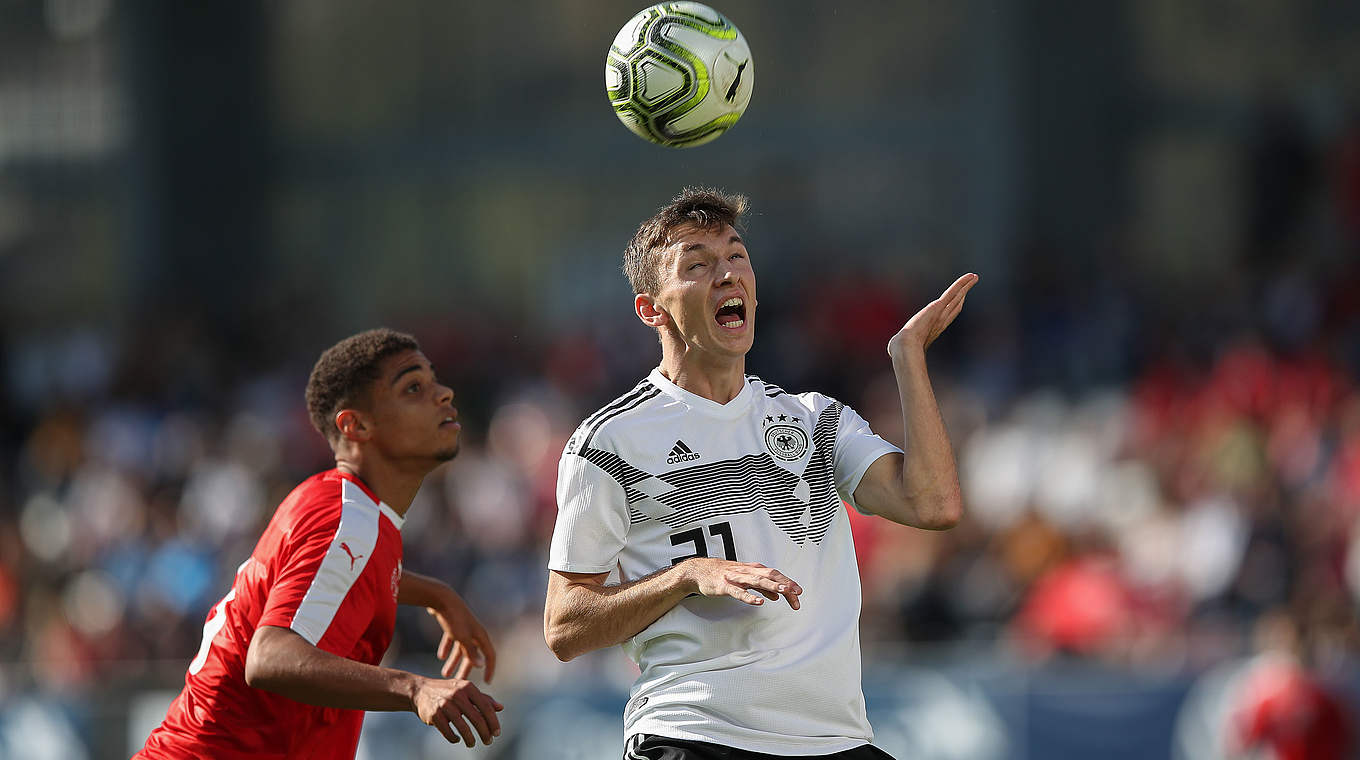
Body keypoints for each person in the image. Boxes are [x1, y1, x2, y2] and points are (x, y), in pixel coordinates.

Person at [543, 188, 977, 759]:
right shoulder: (610, 441)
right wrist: (686, 576)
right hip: (694, 734)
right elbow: (564, 627)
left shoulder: (814, 419)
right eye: (698, 264)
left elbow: (933, 504)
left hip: (834, 742)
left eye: (736, 256)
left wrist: (909, 359)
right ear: (651, 309)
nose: (728, 275)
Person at [136, 328, 503, 759]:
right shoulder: (346, 519)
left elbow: (337, 577)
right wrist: (414, 687)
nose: (444, 393)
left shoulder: (349, 510)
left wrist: (437, 595)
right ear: (356, 425)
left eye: (433, 379)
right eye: (413, 387)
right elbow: (270, 657)